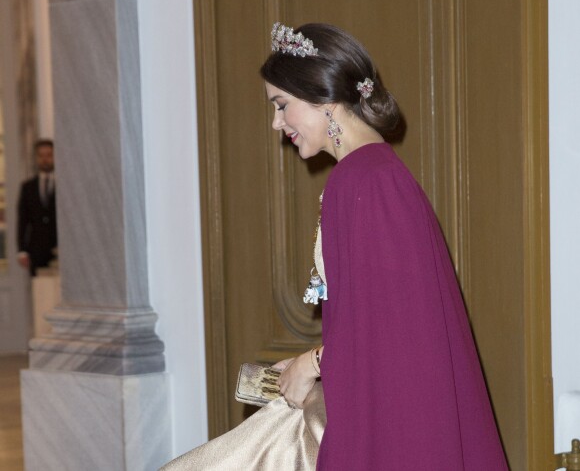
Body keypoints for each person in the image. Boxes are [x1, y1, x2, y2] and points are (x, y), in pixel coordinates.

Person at [162, 23, 508, 470]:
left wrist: (313, 362)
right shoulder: (372, 173)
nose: (276, 122)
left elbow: (392, 323)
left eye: (282, 105)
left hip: (397, 422)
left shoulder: (364, 180)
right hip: (398, 407)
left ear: (323, 99)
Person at [17, 139, 58, 276]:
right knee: (40, 289)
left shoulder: (63, 184)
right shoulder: (28, 187)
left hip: (59, 246)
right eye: (41, 155)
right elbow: (23, 220)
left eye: (49, 155)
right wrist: (22, 250)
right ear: (36, 158)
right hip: (37, 248)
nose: (45, 159)